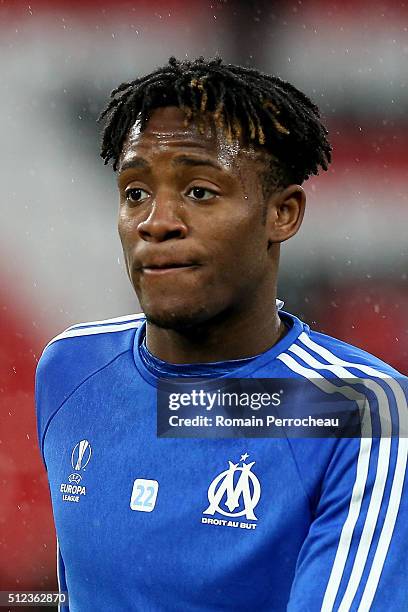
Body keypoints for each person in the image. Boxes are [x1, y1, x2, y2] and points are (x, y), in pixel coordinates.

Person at [35, 56, 407, 611]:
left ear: (282, 214)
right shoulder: (72, 366)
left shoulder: (356, 410)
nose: (155, 222)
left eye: (201, 191)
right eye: (135, 192)